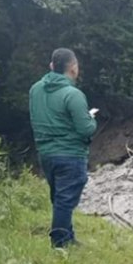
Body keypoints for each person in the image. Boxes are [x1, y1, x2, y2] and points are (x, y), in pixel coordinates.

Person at [29, 48, 98, 249]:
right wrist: (91, 119)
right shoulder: (73, 94)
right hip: (70, 154)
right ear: (73, 68)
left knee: (59, 198)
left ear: (52, 66)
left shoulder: (35, 89)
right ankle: (59, 245)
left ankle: (68, 237)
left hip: (45, 154)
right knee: (65, 201)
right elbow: (85, 129)